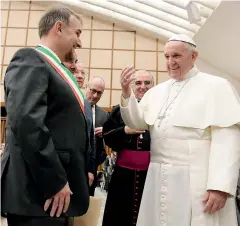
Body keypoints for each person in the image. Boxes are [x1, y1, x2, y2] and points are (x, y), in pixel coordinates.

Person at [120, 34, 240, 226]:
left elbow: (227, 141)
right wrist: (127, 95)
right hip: (158, 177)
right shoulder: (157, 91)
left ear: (194, 56)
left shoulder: (217, 86)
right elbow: (137, 123)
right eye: (166, 56)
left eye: (176, 56)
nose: (170, 62)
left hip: (197, 180)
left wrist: (219, 187)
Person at [1, 7, 89, 226]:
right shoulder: (31, 59)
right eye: (77, 33)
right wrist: (55, 182)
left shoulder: (54, 68)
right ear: (59, 28)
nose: (79, 42)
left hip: (51, 197)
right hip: (39, 193)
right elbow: (28, 123)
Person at [102, 70, 154, 226]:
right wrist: (124, 131)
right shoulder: (119, 110)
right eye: (138, 83)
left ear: (154, 86)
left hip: (152, 175)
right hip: (123, 176)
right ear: (132, 86)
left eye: (147, 83)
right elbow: (107, 136)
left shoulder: (161, 111)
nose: (142, 87)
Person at [62, 55, 95, 188]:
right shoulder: (60, 97)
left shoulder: (86, 104)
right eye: (76, 72)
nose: (80, 76)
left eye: (83, 73)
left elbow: (90, 139)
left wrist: (90, 169)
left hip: (80, 169)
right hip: (61, 169)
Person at [85, 77, 109, 196]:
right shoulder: (73, 107)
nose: (94, 95)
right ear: (86, 87)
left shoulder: (104, 115)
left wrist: (106, 132)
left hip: (93, 168)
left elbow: (110, 140)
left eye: (99, 93)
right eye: (92, 90)